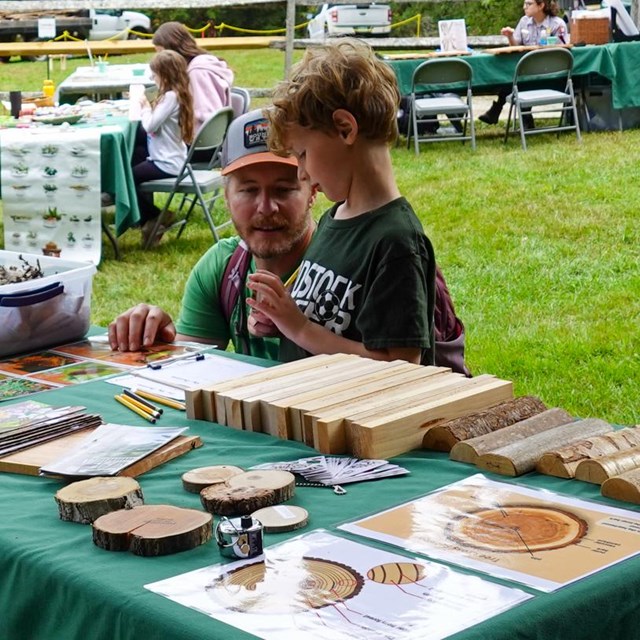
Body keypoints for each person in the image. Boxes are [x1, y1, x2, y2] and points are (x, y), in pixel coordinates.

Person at [246, 38, 436, 366]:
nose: (301, 174)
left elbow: (400, 366)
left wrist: (299, 328)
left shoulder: (395, 241)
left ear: (345, 128)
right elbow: (332, 324)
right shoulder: (335, 217)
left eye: (302, 154)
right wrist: (281, 320)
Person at [109, 109, 316, 360]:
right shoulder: (223, 268)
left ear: (313, 191)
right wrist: (159, 341)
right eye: (249, 190)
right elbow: (190, 367)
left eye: (283, 190)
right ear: (227, 197)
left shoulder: (344, 264)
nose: (265, 207)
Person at [131, 50, 194, 246]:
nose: (152, 78)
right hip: (171, 157)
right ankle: (153, 219)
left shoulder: (170, 97)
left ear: (165, 75)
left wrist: (145, 107)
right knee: (135, 155)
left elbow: (150, 125)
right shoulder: (178, 94)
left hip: (167, 162)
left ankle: (155, 217)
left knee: (127, 177)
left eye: (154, 74)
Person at [479, 0, 567, 127]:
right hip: (528, 74)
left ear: (541, 5)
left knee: (513, 81)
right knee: (512, 79)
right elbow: (516, 48)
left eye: (529, 4)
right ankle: (518, 115)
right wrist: (510, 36)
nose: (524, 7)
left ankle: (502, 110)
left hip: (551, 76)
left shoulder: (557, 24)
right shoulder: (524, 22)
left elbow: (563, 50)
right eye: (524, 3)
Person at [152, 22, 234, 134]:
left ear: (174, 49)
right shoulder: (194, 67)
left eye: (162, 53)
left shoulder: (198, 72)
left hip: (199, 140)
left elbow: (207, 117)